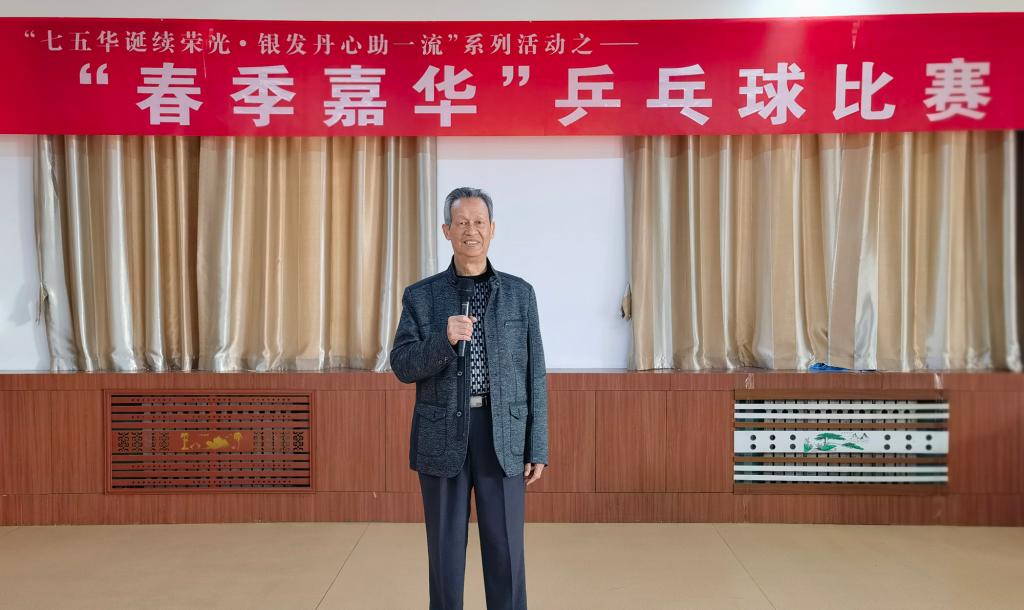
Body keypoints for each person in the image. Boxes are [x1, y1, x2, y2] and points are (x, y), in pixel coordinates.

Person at [390, 186, 548, 610]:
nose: (470, 230)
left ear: (492, 229)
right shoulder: (421, 296)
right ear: (447, 230)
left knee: (506, 553)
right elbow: (402, 365)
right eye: (461, 222)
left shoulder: (520, 294)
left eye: (479, 222)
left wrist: (537, 445)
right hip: (442, 436)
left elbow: (535, 373)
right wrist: (443, 339)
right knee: (445, 557)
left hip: (503, 436)